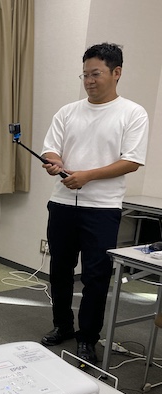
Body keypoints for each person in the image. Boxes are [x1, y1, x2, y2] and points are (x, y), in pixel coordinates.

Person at [39, 43, 149, 365]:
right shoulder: (67, 111)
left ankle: (88, 338)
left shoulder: (132, 113)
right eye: (85, 74)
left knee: (96, 276)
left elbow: (131, 161)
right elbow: (50, 150)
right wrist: (54, 162)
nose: (89, 80)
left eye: (96, 73)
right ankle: (62, 326)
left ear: (117, 73)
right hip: (61, 204)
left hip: (102, 208)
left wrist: (86, 176)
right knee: (59, 270)